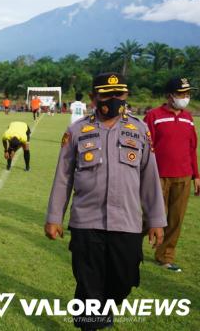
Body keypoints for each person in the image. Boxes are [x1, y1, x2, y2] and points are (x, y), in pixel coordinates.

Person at [45, 72, 166, 330]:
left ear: (126, 96)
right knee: (89, 283)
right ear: (93, 97)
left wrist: (155, 219)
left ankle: (98, 312)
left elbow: (149, 177)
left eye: (118, 94)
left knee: (125, 279)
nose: (113, 99)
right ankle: (90, 322)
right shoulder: (76, 131)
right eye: (106, 95)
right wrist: (54, 217)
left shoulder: (139, 129)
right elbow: (63, 178)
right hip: (87, 222)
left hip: (127, 223)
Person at [144, 77, 199, 272]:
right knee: (148, 217)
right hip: (158, 176)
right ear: (170, 96)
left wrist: (196, 176)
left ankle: (165, 256)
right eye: (181, 94)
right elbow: (145, 147)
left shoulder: (188, 117)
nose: (185, 97)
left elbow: (192, 148)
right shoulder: (153, 116)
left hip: (183, 176)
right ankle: (130, 248)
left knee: (176, 219)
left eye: (187, 93)